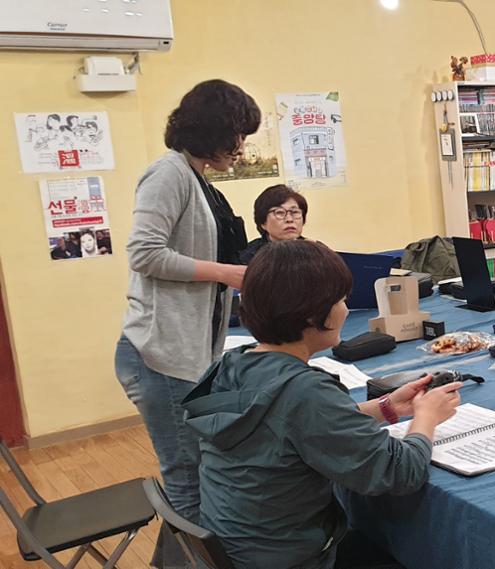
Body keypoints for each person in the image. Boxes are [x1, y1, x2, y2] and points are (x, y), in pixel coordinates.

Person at [184, 240, 462, 568]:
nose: (345, 309)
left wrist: (384, 407)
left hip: (238, 548)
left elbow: (287, 424)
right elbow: (400, 472)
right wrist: (426, 417)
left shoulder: (233, 363)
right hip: (290, 558)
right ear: (311, 315)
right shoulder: (305, 391)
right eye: (341, 300)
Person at [114, 79, 259, 563]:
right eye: (238, 135)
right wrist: (225, 274)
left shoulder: (197, 179)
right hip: (160, 354)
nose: (241, 148)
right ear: (215, 130)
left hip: (185, 352)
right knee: (186, 475)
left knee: (197, 469)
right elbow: (144, 253)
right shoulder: (168, 174)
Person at [239, 184, 308, 264]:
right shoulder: (250, 257)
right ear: (263, 223)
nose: (289, 219)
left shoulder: (314, 251)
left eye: (295, 212)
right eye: (279, 212)